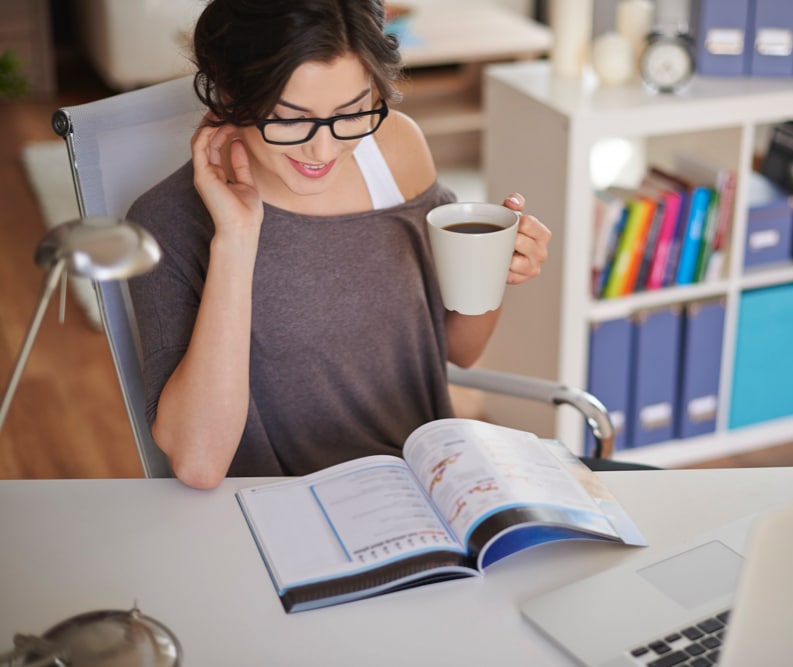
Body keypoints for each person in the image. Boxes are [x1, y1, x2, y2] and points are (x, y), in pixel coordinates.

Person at [125, 0, 551, 489]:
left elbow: (459, 347)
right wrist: (237, 241)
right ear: (227, 91)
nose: (322, 151)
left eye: (351, 112)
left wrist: (496, 264)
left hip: (431, 492)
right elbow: (199, 462)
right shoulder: (167, 221)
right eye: (289, 119)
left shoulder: (395, 151)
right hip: (287, 520)